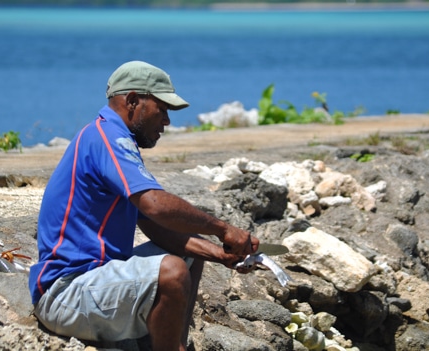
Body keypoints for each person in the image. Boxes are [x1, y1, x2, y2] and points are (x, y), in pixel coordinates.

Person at [28, 60, 259, 351]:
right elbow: (155, 205)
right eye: (162, 110)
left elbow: (154, 226)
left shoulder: (112, 137)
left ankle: (171, 344)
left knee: (188, 253)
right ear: (133, 101)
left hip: (94, 281)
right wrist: (223, 228)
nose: (167, 121)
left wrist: (220, 254)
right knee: (173, 271)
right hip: (64, 293)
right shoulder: (108, 138)